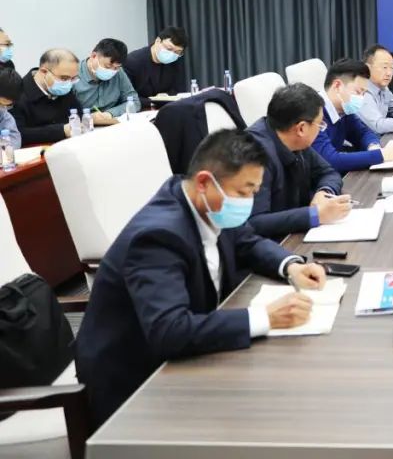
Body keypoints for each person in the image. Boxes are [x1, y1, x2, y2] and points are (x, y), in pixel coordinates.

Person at [74, 129, 327, 429]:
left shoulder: (205, 202)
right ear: (205, 182)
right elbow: (170, 330)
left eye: (254, 192)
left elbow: (246, 241)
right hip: (134, 384)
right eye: (243, 192)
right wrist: (266, 317)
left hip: (185, 355)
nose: (247, 202)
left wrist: (290, 266)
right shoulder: (158, 236)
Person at [246, 84, 350, 239]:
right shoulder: (254, 155)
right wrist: (315, 215)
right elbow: (254, 222)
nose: (320, 130)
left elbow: (328, 172)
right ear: (301, 128)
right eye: (320, 125)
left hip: (294, 233)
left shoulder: (294, 139)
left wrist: (324, 192)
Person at [314, 59, 393, 172]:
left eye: (364, 93)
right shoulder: (312, 112)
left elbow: (363, 132)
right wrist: (383, 155)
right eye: (358, 92)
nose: (361, 98)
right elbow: (330, 161)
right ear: (337, 86)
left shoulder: (344, 109)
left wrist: (373, 147)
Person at [11, 48, 81, 144]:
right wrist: (61, 131)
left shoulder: (64, 88)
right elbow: (17, 134)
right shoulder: (18, 94)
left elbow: (79, 114)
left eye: (73, 78)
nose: (69, 83)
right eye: (64, 78)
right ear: (44, 72)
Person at [74, 38, 137, 124]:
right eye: (108, 66)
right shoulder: (73, 74)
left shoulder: (118, 73)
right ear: (93, 56)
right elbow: (64, 114)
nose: (112, 71)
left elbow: (134, 102)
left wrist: (110, 113)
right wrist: (88, 117)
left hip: (112, 124)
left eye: (116, 67)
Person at [124, 26, 189, 108]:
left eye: (178, 52)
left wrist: (166, 96)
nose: (172, 54)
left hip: (165, 107)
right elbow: (127, 96)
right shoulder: (132, 61)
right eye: (169, 49)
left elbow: (178, 89)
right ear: (158, 41)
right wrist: (153, 102)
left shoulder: (174, 61)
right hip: (140, 108)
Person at [0, 67, 23, 149]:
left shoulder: (4, 115)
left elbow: (15, 140)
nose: (2, 108)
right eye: (0, 103)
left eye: (7, 105)